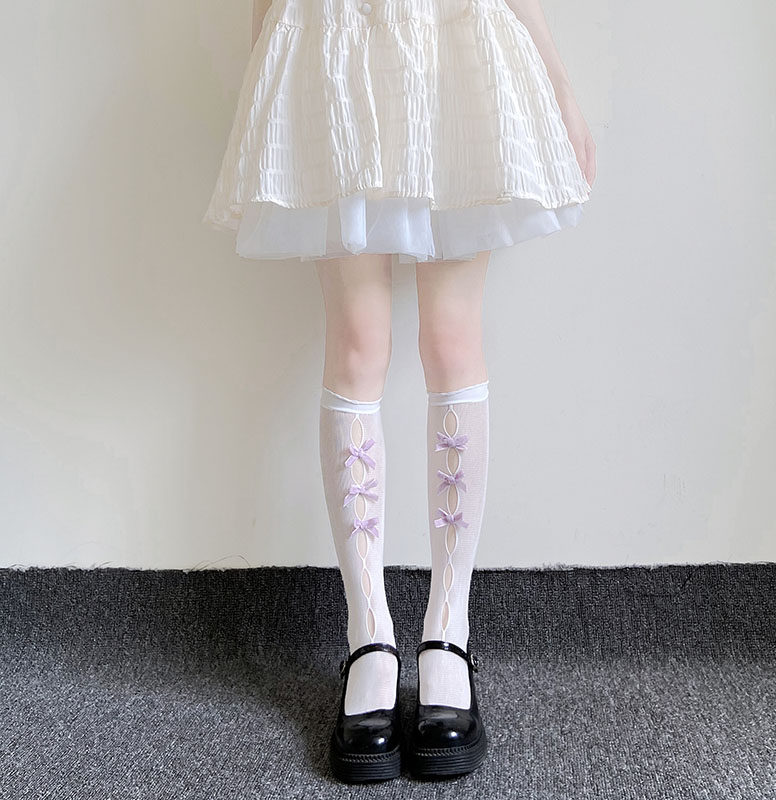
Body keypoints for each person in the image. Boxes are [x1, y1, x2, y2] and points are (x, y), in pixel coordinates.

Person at [202, 0, 596, 783]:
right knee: (357, 345)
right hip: (334, 36)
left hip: (456, 39)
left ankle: (448, 632)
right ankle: (368, 636)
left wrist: (554, 73)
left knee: (451, 339)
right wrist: (263, 67)